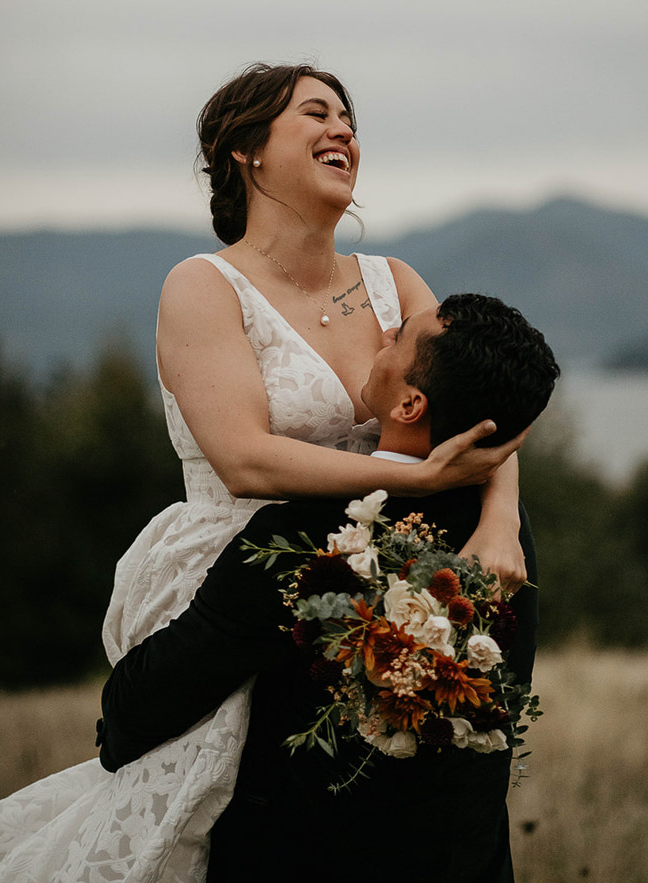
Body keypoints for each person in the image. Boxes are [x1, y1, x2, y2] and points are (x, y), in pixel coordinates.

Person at [0, 65, 528, 882]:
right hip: (229, 571)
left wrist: (497, 520)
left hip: (365, 577)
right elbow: (243, 457)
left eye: (348, 116)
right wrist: (409, 482)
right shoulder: (202, 285)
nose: (342, 129)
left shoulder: (395, 283)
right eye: (314, 113)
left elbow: (484, 411)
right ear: (246, 153)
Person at [98, 291, 560, 882]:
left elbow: (141, 707)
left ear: (411, 403)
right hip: (469, 862)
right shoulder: (505, 535)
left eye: (400, 337)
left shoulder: (304, 534)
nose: (385, 334)